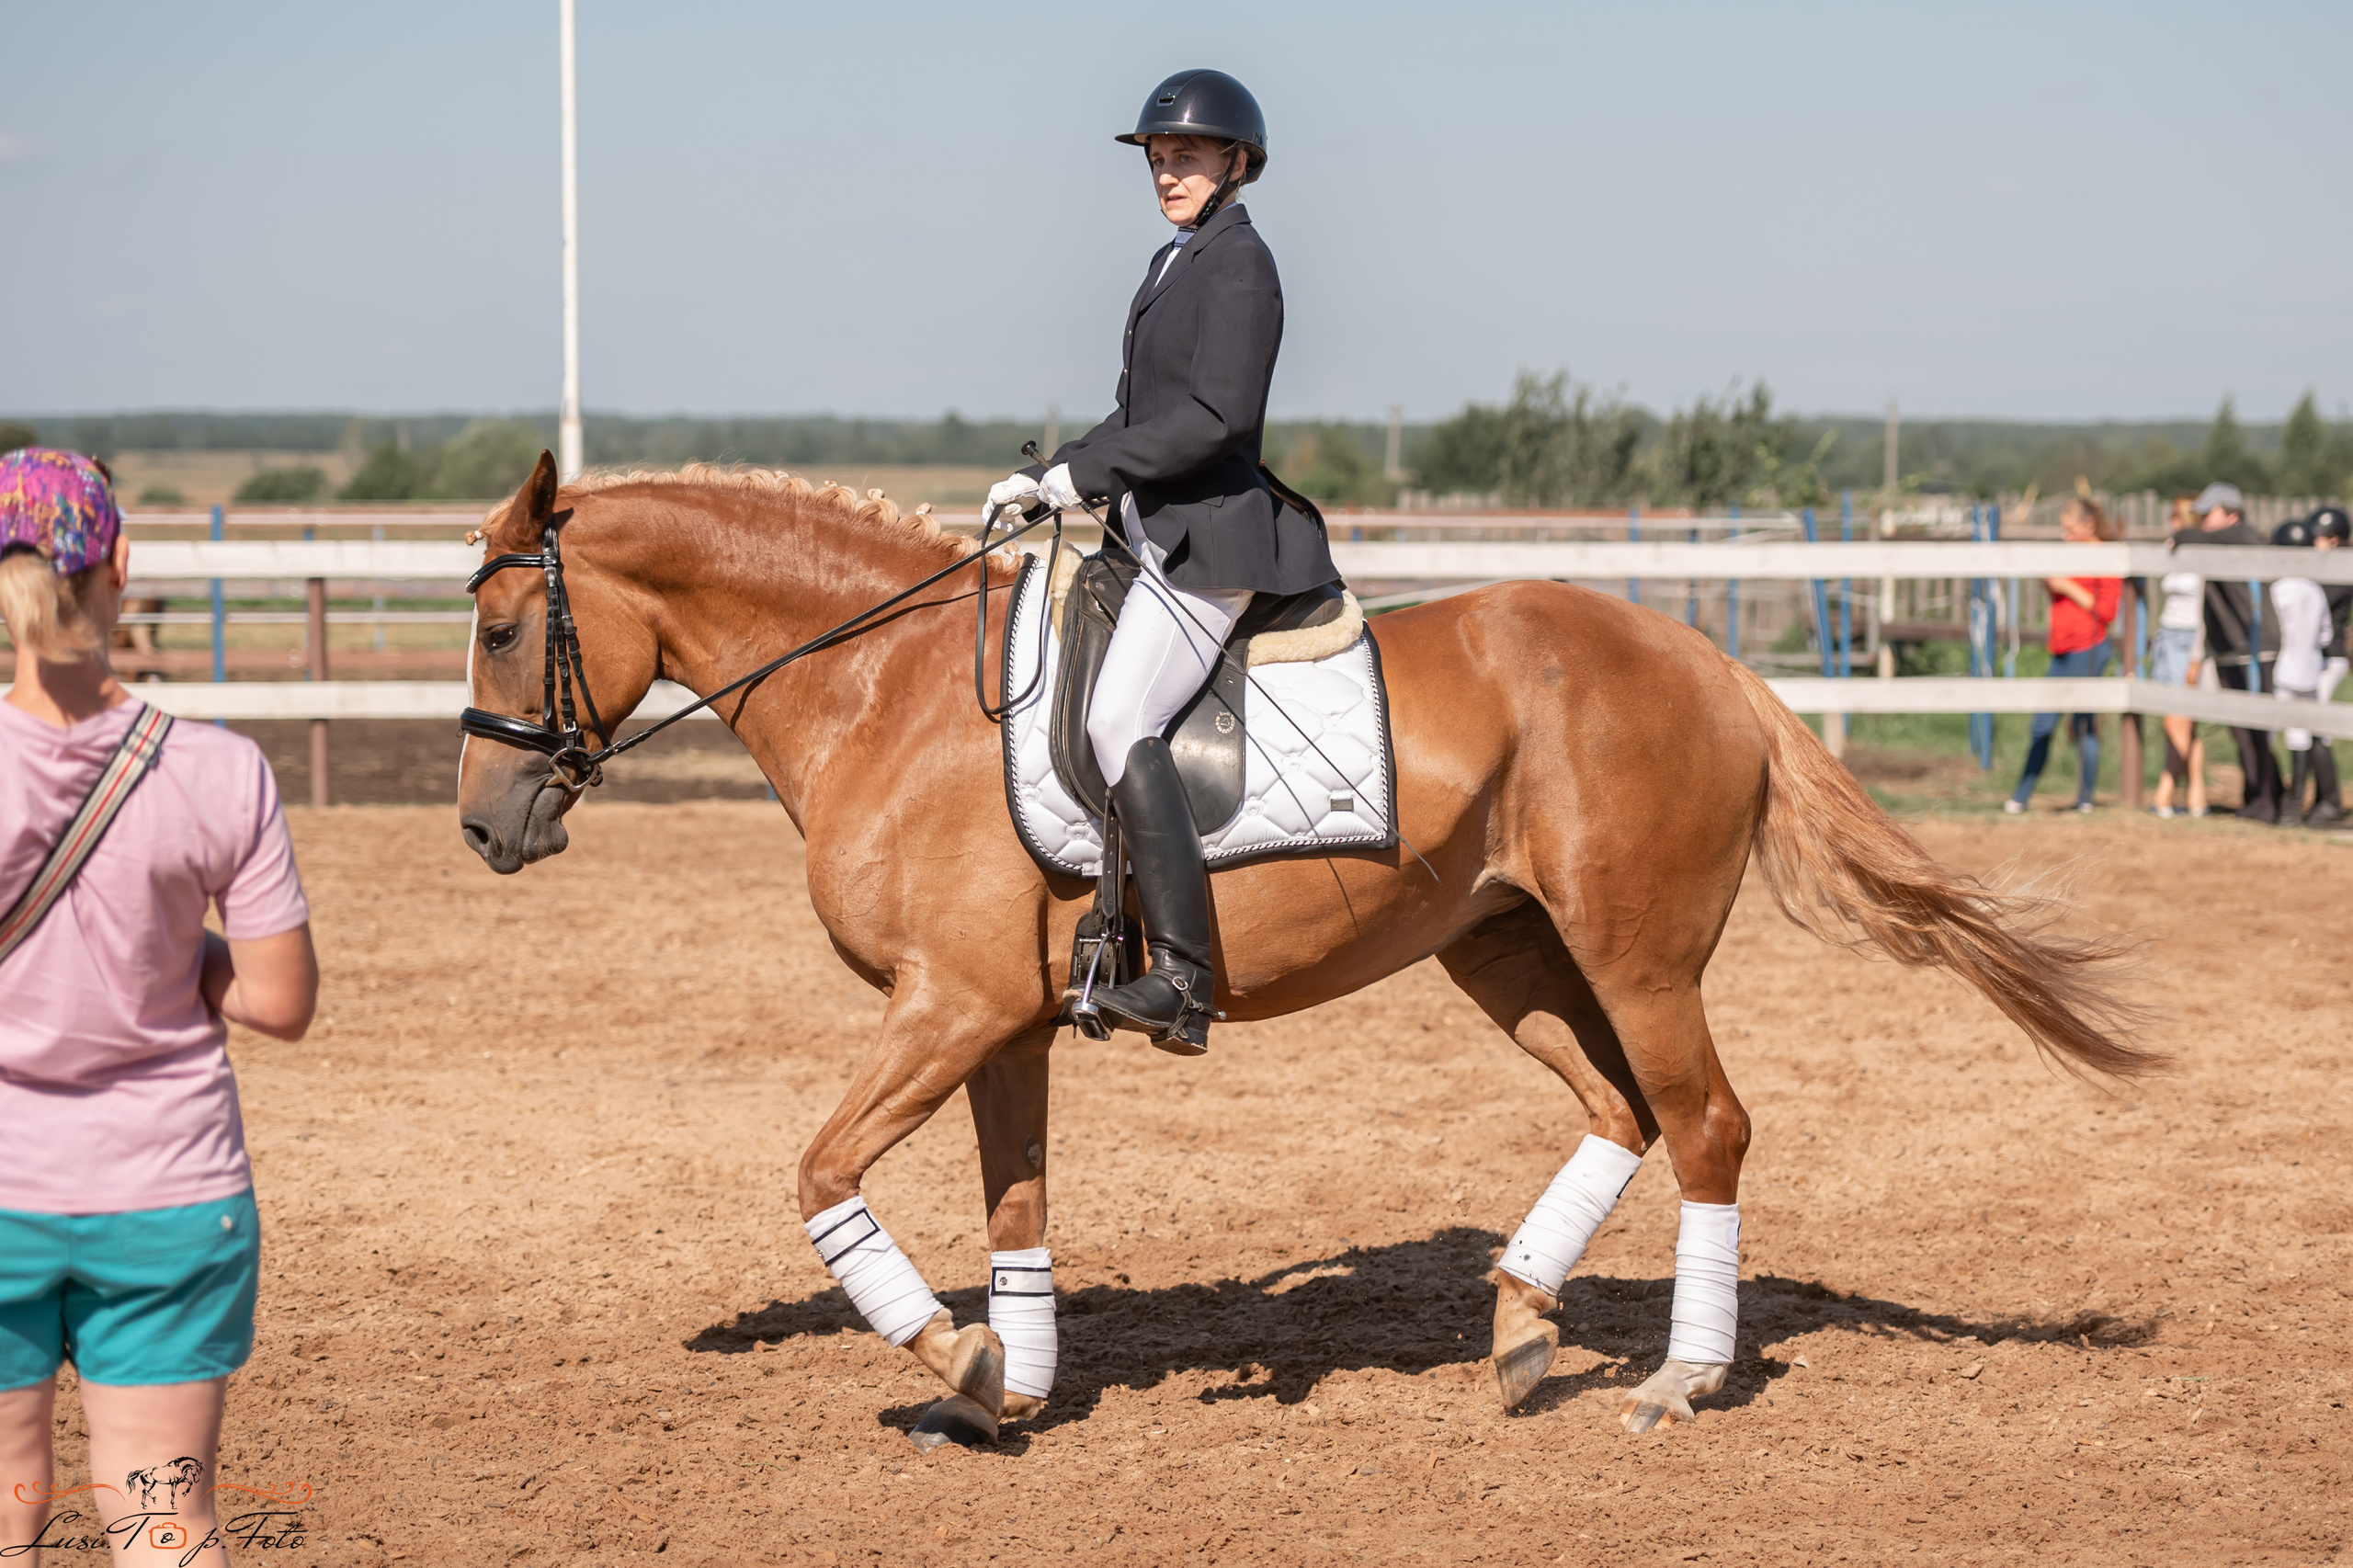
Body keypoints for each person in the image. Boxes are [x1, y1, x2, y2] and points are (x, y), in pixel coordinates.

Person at [0, 449, 318, 1564]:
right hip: (171, 1192)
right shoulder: (221, 771)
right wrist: (179, 951)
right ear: (120, 564)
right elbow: (280, 1001)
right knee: (165, 1524)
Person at [983, 70, 1337, 1055]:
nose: (1167, 173)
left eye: (1185, 156)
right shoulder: (1174, 259)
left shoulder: (1241, 264)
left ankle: (1182, 976)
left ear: (1237, 162)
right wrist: (1051, 473)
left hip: (1208, 542)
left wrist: (1088, 474)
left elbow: (1215, 418)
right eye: (1157, 158)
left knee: (1117, 718)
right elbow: (1137, 412)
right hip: (1148, 534)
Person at [2172, 482, 2285, 821]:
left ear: (2232, 514)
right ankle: (2259, 796)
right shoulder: (2220, 542)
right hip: (2232, 647)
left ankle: (2267, 799)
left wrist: (2180, 536)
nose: (2203, 521)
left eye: (2210, 513)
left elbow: (2189, 537)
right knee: (2242, 728)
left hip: (2253, 647)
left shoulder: (2242, 536)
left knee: (2255, 727)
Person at [2004, 496, 2121, 814]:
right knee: (2042, 725)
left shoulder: (2106, 557)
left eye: (2070, 530)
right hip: (2061, 648)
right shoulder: (2068, 554)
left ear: (2089, 526)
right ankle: (2021, 795)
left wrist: (2066, 585)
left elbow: (2107, 612)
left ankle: (2085, 798)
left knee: (2083, 725)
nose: (2064, 536)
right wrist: (2051, 585)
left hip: (2089, 648)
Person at [2268, 515, 2339, 825]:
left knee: (2276, 733)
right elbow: (2325, 634)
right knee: (2303, 735)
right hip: (2310, 669)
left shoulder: (2280, 589)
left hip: (2283, 668)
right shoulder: (2314, 589)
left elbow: (2273, 631)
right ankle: (2295, 803)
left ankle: (2286, 802)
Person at [2148, 549, 2210, 818]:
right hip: (2168, 637)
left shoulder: (2204, 556)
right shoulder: (2175, 553)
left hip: (2188, 639)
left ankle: (2165, 791)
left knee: (2178, 720)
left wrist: (2196, 657)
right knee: (2180, 722)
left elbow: (2206, 610)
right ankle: (2197, 797)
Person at [2304, 506, 2350, 823]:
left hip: (2330, 656)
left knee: (2316, 724)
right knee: (2310, 724)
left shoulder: (2339, 571)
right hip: (2317, 657)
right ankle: (2323, 798)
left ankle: (2331, 801)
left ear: (2334, 539)